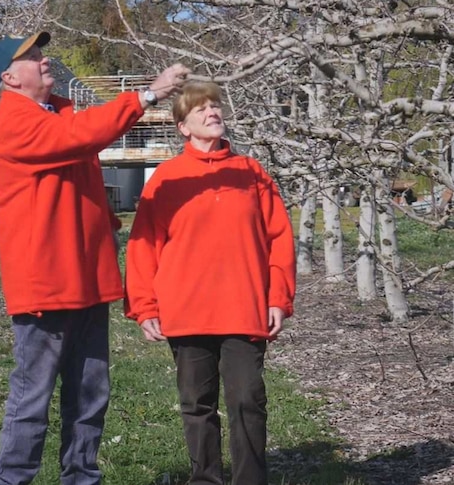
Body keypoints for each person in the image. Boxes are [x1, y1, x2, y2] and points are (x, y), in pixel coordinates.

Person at [0, 31, 189, 485]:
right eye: (32, 57)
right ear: (8, 77)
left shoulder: (56, 112)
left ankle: (81, 477)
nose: (44, 60)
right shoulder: (15, 122)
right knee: (33, 396)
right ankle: (12, 480)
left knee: (90, 394)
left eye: (41, 52)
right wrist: (148, 94)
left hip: (87, 282)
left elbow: (84, 128)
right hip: (47, 285)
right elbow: (82, 133)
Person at [124, 82, 296, 485]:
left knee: (247, 401)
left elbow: (279, 240)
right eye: (201, 109)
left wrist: (278, 298)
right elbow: (143, 246)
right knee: (196, 405)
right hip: (186, 312)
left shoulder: (252, 173)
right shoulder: (167, 179)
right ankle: (205, 479)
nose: (212, 112)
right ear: (183, 126)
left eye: (215, 106)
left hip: (245, 308)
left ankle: (250, 480)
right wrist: (145, 306)